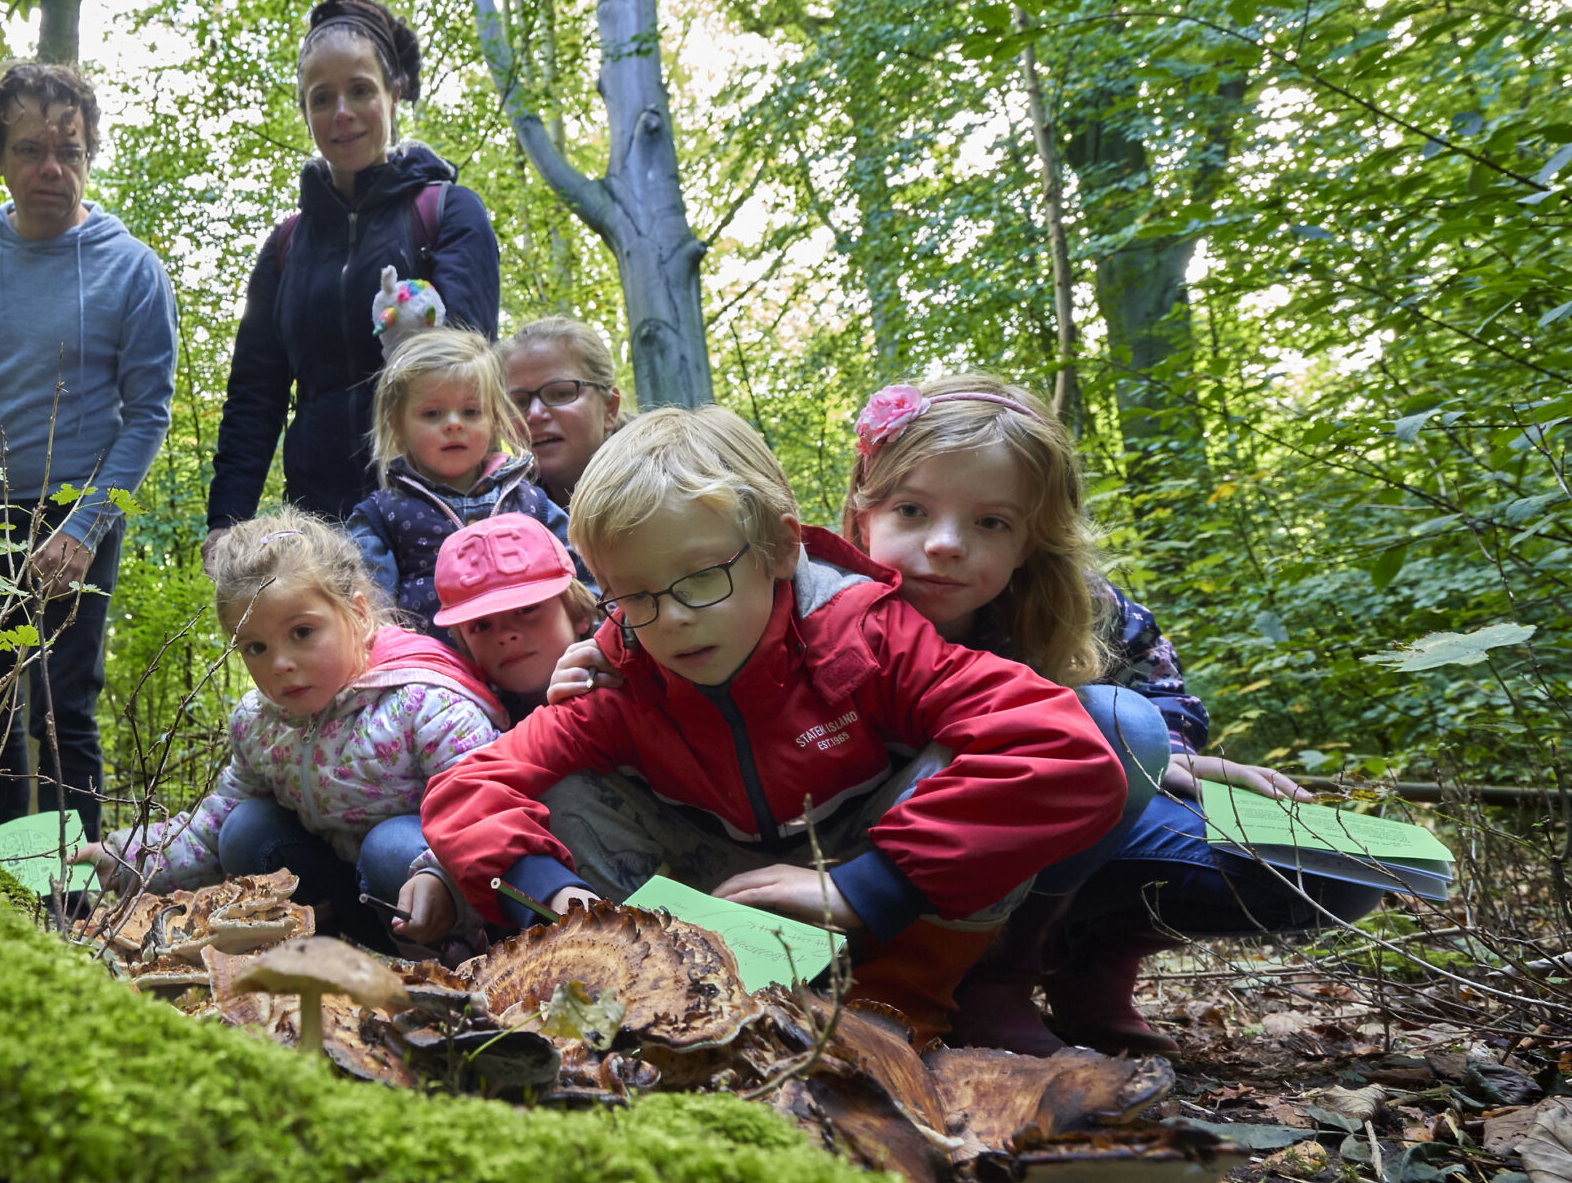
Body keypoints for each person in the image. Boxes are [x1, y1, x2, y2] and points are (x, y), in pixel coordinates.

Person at [400, 405, 1127, 1043]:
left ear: (780, 548)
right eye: (638, 595)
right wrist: (551, 894)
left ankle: (891, 1009)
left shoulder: (864, 636)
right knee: (561, 791)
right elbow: (469, 784)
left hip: (867, 885)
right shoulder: (624, 672)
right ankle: (653, 1003)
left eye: (699, 580)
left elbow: (1063, 750)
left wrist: (863, 886)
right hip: (713, 899)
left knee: (968, 768)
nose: (675, 617)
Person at [836, 376, 1332, 1053]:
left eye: (991, 522)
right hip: (882, 848)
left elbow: (1153, 682)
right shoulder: (814, 609)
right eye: (912, 509)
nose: (947, 543)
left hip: (1063, 837)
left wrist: (1170, 750)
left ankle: (1083, 958)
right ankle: (980, 982)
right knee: (1082, 727)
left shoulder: (1073, 605)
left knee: (1319, 864)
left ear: (1032, 540)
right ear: (864, 510)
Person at [70, 511, 505, 951]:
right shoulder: (259, 721)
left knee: (390, 848)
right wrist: (122, 861)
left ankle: (446, 963)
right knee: (243, 828)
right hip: (339, 893)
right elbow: (211, 826)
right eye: (255, 647)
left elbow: (487, 806)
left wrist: (443, 877)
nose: (280, 663)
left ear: (356, 613)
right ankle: (308, 955)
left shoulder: (423, 702)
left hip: (429, 897)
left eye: (302, 632)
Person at [0, 62, 179, 841]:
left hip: (79, 512)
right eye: (32, 149)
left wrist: (83, 528)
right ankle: (7, 878)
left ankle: (75, 892)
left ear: (90, 153)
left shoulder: (131, 268)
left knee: (62, 705)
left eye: (71, 150)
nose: (53, 168)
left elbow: (147, 414)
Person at [204, 0, 503, 541]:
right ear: (305, 112)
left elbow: (470, 361)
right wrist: (227, 520)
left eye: (360, 90)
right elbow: (255, 395)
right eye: (322, 98)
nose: (341, 113)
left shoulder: (447, 212)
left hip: (438, 515)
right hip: (322, 524)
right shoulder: (286, 247)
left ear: (394, 93)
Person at [344, 329, 572, 633]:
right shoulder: (382, 516)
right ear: (398, 425)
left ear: (493, 419)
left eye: (470, 411)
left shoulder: (530, 502)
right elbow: (373, 615)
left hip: (536, 663)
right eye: (433, 413)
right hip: (434, 672)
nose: (453, 424)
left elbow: (583, 581)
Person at [429, 515, 600, 721]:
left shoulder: (629, 673)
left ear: (579, 614)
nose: (505, 634)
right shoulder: (471, 725)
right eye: (482, 625)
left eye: (527, 609)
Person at [499, 317, 626, 505]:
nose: (534, 414)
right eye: (518, 402)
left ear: (609, 408)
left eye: (560, 394)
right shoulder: (497, 505)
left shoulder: (670, 490)